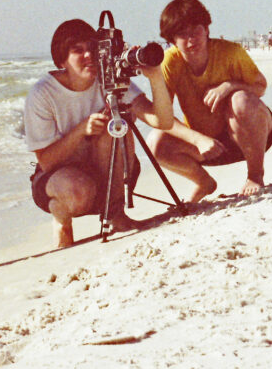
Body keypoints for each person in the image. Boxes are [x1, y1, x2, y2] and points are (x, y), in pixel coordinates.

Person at [24, 19, 173, 248]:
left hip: (111, 170)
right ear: (62, 60)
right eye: (78, 50)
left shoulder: (109, 78)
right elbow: (46, 161)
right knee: (77, 193)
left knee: (116, 126)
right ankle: (61, 215)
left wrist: (155, 77)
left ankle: (116, 214)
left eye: (93, 49)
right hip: (59, 178)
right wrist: (82, 130)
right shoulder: (43, 92)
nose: (89, 56)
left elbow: (162, 121)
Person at [146, 0, 272, 201]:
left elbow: (260, 86)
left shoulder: (230, 52)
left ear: (206, 29)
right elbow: (163, 116)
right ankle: (203, 182)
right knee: (155, 141)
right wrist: (198, 139)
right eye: (182, 34)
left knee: (240, 100)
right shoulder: (170, 62)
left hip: (251, 137)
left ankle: (255, 176)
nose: (191, 40)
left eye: (195, 30)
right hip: (209, 146)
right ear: (172, 40)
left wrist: (229, 86)